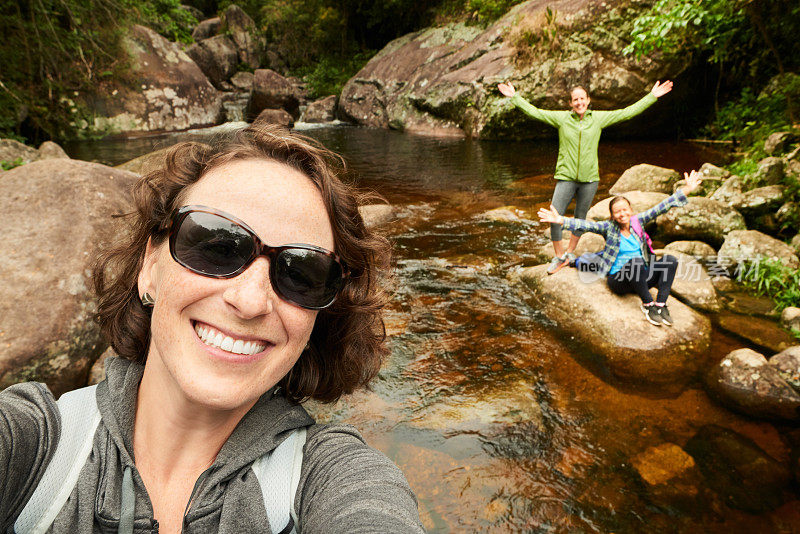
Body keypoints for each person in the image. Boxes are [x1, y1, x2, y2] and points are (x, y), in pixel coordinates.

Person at [0, 124, 424, 533]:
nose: (250, 300)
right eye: (217, 247)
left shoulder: (334, 478)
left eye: (302, 272)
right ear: (150, 266)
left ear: (319, 316)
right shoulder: (31, 444)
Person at [497, 79, 674, 274]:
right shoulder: (561, 119)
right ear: (570, 103)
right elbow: (536, 113)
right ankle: (558, 256)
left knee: (581, 217)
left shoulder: (598, 119)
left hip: (590, 179)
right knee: (555, 216)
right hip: (566, 177)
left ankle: (570, 253)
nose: (579, 102)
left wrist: (652, 97)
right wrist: (515, 97)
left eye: (582, 98)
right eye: (575, 100)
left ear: (588, 100)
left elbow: (626, 113)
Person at [537, 170, 702, 326]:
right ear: (612, 215)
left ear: (631, 210)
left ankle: (660, 305)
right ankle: (647, 305)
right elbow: (586, 225)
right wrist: (561, 220)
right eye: (617, 212)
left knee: (670, 260)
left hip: (641, 278)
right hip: (619, 280)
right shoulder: (608, 228)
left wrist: (687, 189)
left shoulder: (638, 221)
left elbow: (662, 207)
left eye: (625, 210)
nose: (622, 214)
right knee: (635, 262)